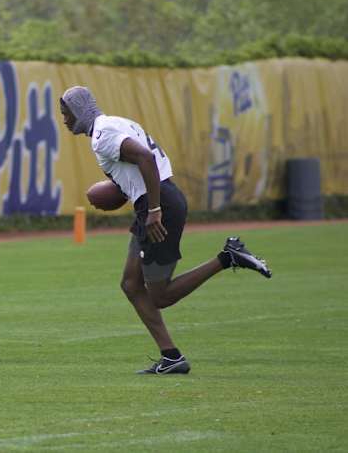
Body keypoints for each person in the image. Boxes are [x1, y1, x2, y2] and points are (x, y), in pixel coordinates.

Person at [60, 86, 271, 375]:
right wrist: (124, 193)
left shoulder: (102, 134)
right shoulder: (118, 123)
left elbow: (145, 158)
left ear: (79, 110)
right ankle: (171, 357)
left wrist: (155, 210)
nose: (64, 120)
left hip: (158, 206)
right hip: (152, 201)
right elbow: (138, 166)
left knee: (160, 295)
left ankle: (228, 257)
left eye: (66, 113)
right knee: (131, 284)